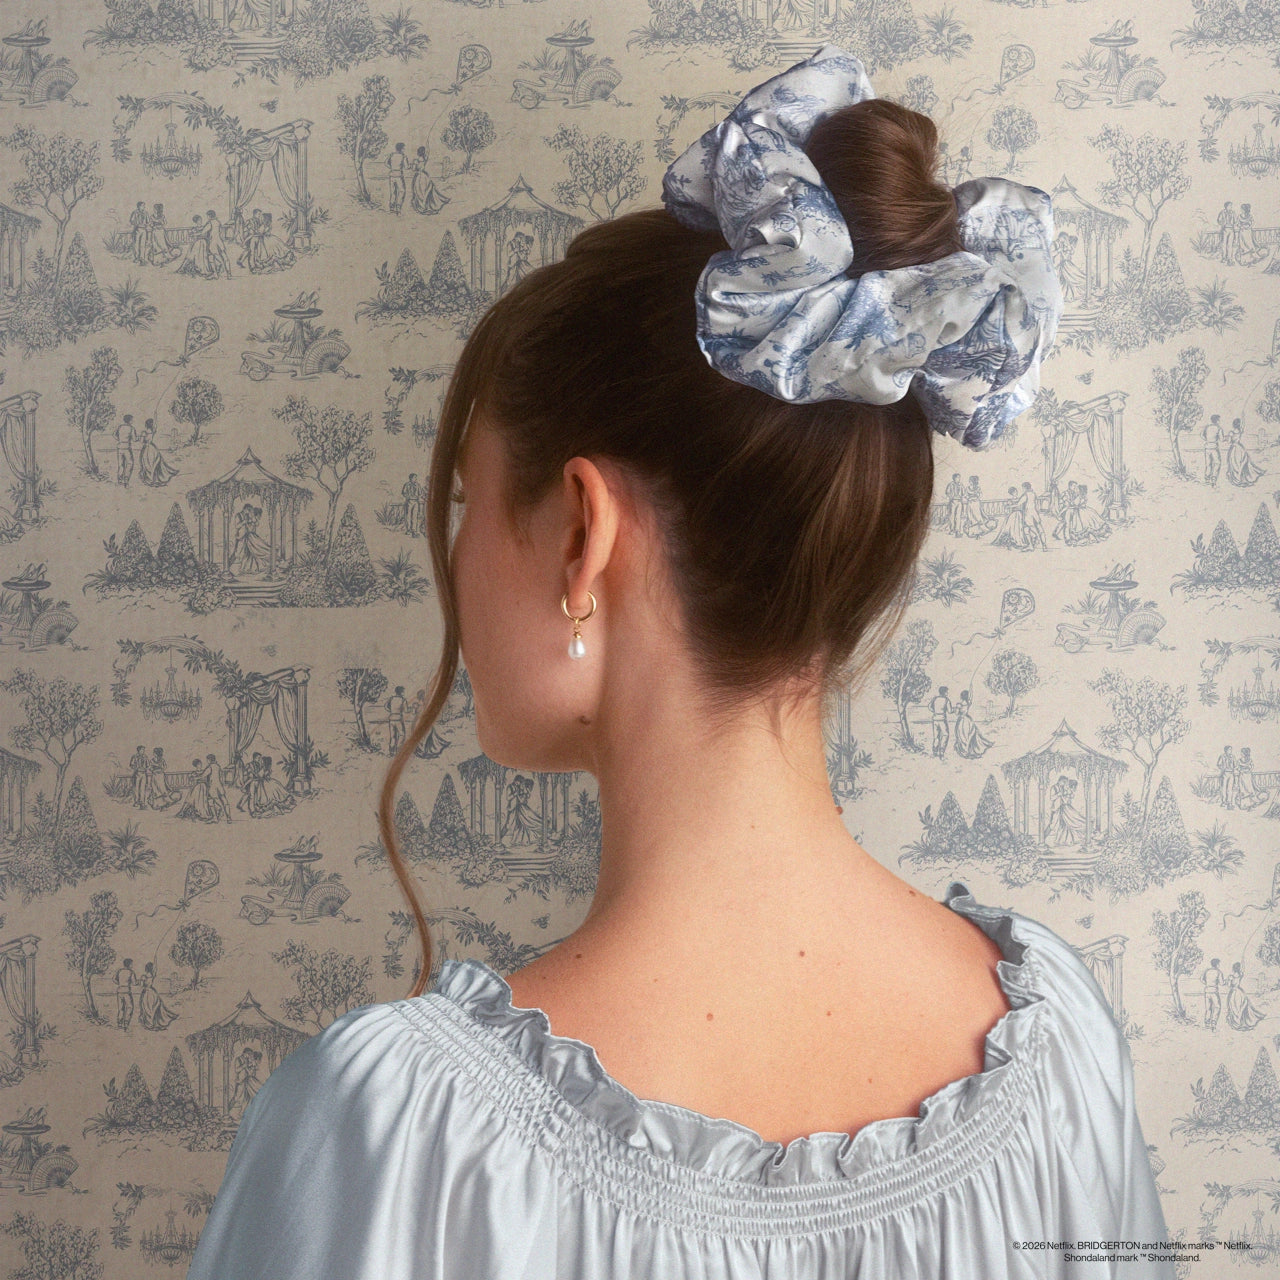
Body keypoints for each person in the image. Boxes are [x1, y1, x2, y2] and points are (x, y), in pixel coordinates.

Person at [188, 49, 1173, 1280]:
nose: (451, 557)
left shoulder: (389, 1137)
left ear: (581, 535)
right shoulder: (1062, 1061)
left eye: (468, 500)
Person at [951, 688, 993, 758]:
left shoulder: (959, 704)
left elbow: (956, 713)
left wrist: (956, 708)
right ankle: (968, 749)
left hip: (962, 721)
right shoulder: (968, 703)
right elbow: (970, 698)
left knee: (962, 736)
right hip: (968, 720)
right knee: (969, 735)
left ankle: (965, 750)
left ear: (961, 696)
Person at [136, 418, 178, 487]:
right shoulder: (153, 431)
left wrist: (140, 437)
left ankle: (150, 478)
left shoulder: (144, 432)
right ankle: (154, 478)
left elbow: (141, 441)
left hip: (147, 449)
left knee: (147, 464)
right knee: (154, 464)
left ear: (146, 425)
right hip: (153, 448)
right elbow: (155, 426)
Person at [138, 962, 179, 1031]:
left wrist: (141, 981)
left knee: (147, 1008)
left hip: (146, 993)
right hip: (153, 992)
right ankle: (154, 1023)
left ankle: (150, 1024)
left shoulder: (144, 976)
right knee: (154, 1008)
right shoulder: (152, 975)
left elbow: (141, 985)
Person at [1225, 416, 1265, 485]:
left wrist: (1228, 437)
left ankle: (1237, 478)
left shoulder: (1231, 432)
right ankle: (1242, 478)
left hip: (1234, 448)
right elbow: (1243, 426)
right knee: (1242, 463)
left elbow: (1229, 441)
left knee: (1234, 464)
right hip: (1240, 448)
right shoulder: (1240, 431)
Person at [410, 145, 450, 214]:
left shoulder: (416, 160)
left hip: (419, 176)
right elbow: (428, 152)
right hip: (425, 176)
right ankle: (426, 205)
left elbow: (413, 169)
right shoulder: (425, 159)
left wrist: (412, 165)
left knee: (419, 192)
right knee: (426, 191)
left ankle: (422, 206)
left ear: (418, 152)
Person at [1225, 962, 1265, 1031]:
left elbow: (1229, 986)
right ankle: (1240, 1021)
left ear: (1233, 968)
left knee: (1234, 1007)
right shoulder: (1240, 974)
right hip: (1240, 992)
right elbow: (1243, 969)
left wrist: (1228, 980)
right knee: (1240, 1007)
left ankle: (1237, 1022)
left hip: (1234, 993)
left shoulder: (1231, 976)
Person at [114, 958, 136, 1031]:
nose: (132, 965)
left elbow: (114, 979)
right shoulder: (131, 972)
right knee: (130, 1007)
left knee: (121, 1008)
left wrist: (120, 983)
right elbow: (134, 983)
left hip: (119, 991)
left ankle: (119, 1023)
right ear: (129, 964)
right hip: (127, 991)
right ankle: (126, 1024)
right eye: (132, 964)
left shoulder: (119, 971)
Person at [386, 142, 407, 214]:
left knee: (393, 192)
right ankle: (398, 208)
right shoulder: (403, 156)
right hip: (399, 175)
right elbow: (406, 167)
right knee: (402, 191)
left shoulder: (391, 155)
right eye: (403, 148)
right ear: (401, 149)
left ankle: (391, 208)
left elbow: (385, 163)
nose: (404, 149)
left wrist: (392, 168)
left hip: (392, 175)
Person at [115, 414, 136, 486]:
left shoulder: (120, 427)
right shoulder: (131, 428)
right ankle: (126, 480)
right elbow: (134, 439)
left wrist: (120, 439)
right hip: (127, 447)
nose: (133, 421)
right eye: (132, 420)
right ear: (129, 420)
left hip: (120, 447)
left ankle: (119, 479)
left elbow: (114, 434)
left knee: (121, 464)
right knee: (130, 463)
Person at [1202, 958, 1222, 1029]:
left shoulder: (1207, 971)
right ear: (1217, 964)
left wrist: (1207, 983)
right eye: (1219, 963)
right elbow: (1222, 983)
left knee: (1208, 1008)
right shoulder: (1218, 972)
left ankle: (1207, 1023)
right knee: (1217, 1007)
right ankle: (1213, 1022)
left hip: (1207, 991)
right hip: (1214, 991)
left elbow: (1201, 979)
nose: (1219, 965)